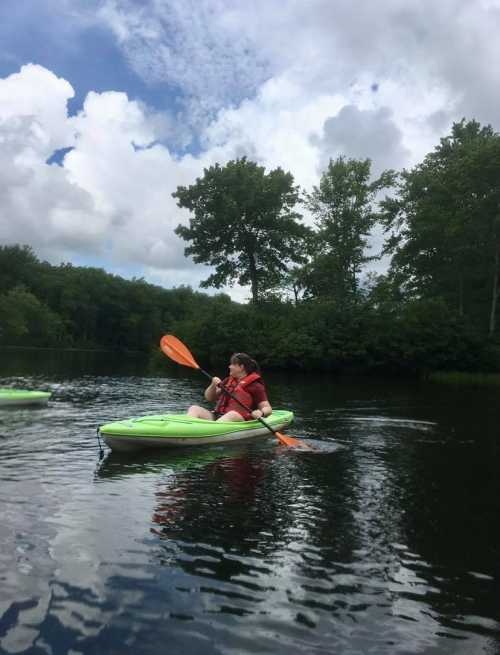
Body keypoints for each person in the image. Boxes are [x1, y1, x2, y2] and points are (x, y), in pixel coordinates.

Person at [187, 352, 272, 422]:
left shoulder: (255, 385)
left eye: (232, 364)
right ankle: (187, 428)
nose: (229, 366)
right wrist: (213, 385)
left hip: (239, 420)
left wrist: (261, 413)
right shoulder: (228, 381)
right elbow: (209, 398)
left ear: (241, 367)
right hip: (218, 416)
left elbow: (267, 408)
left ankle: (209, 431)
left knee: (232, 414)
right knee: (194, 408)